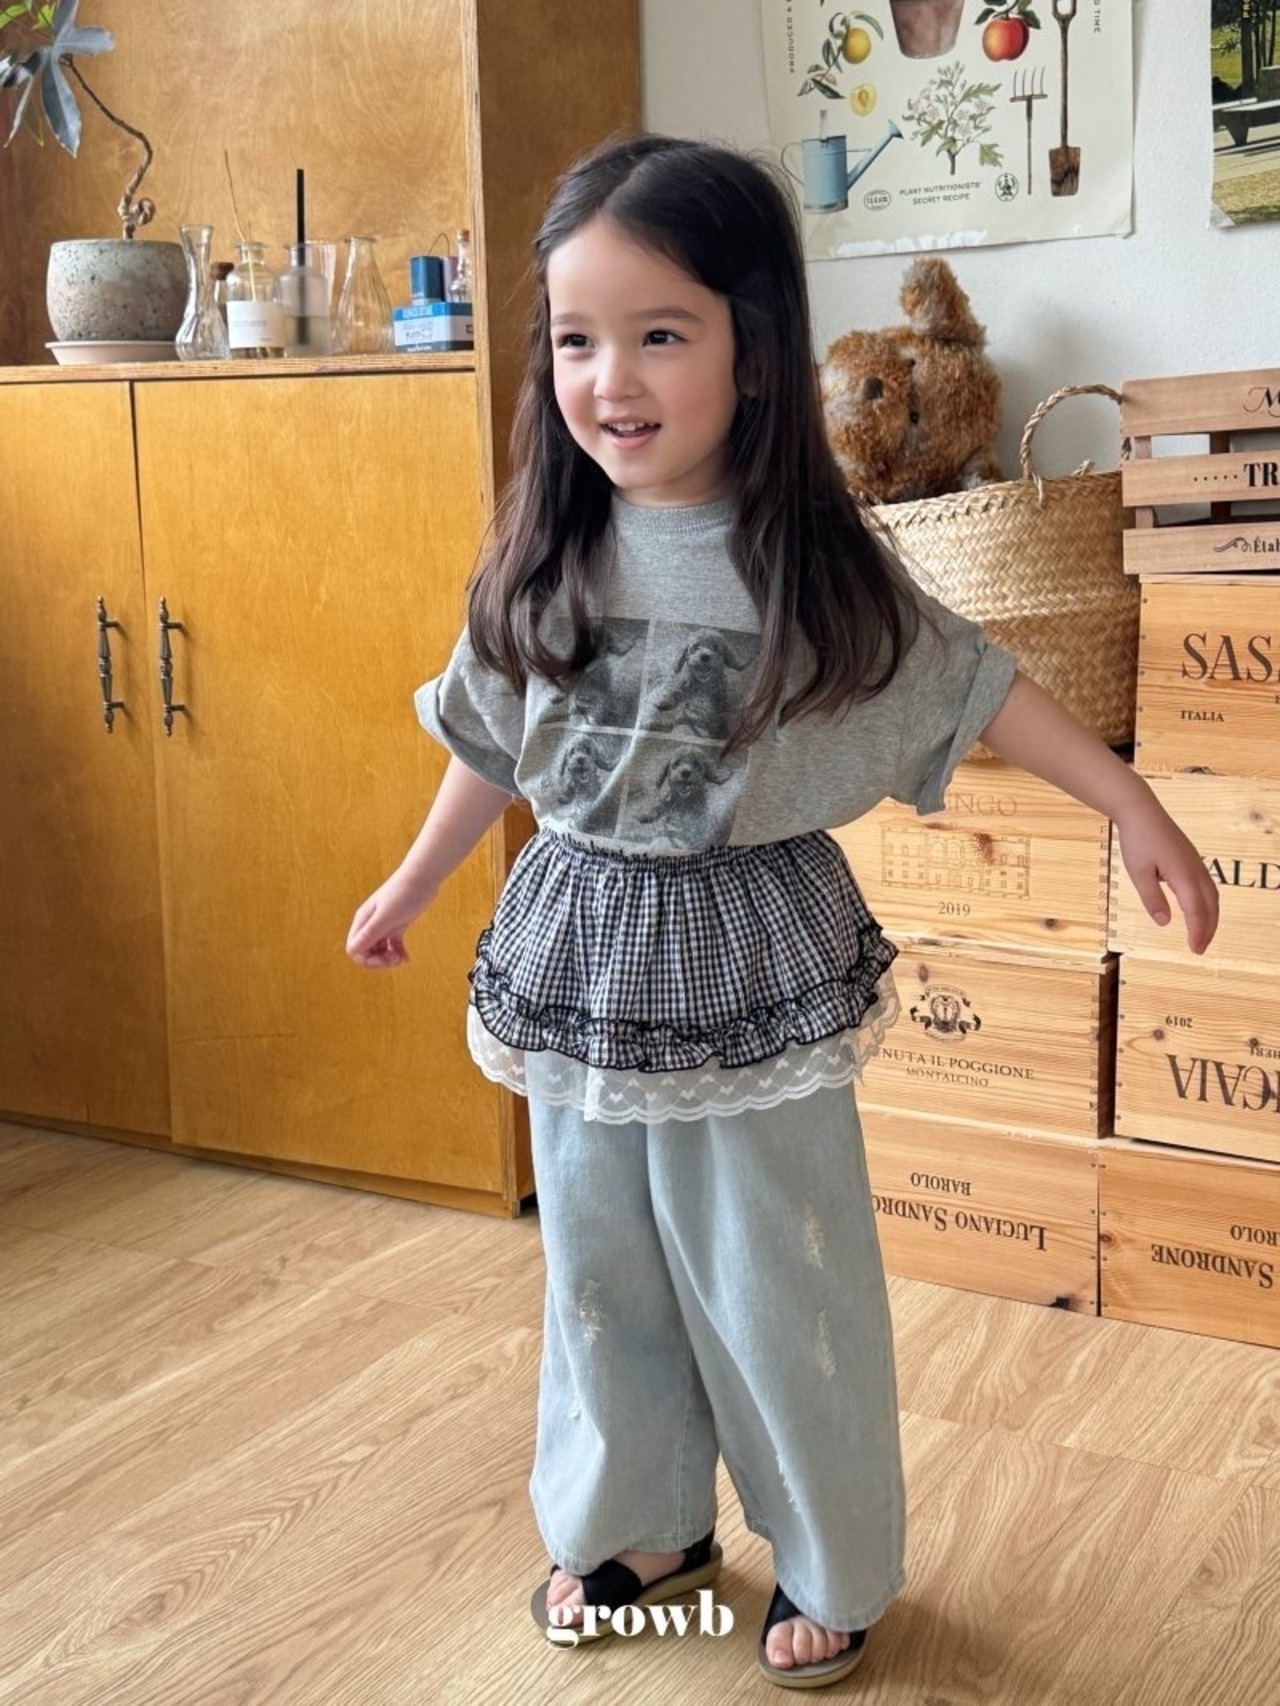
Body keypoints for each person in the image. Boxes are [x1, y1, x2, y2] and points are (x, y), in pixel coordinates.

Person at [347, 132, 1218, 1689]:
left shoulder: (807, 563)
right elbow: (491, 736)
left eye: (659, 334)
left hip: (748, 957)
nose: (612, 379)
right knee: (599, 1268)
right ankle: (639, 1528)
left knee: (776, 1273)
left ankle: (830, 1555)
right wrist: (413, 880)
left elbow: (975, 686)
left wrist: (1132, 802)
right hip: (580, 952)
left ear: (753, 348)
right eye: (576, 340)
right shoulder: (545, 549)